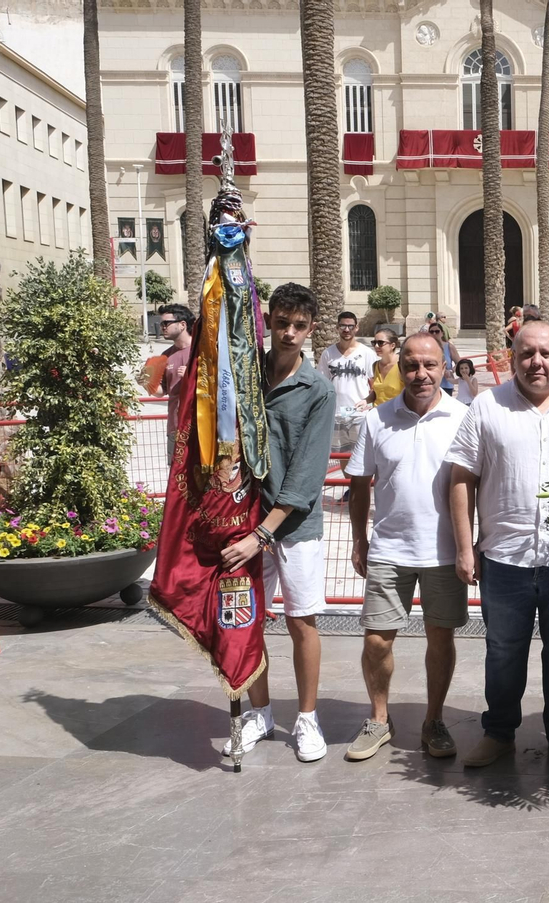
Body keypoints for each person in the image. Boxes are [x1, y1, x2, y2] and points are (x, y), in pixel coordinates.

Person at [447, 321, 549, 768]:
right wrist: (464, 546)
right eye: (526, 353)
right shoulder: (486, 406)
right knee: (502, 650)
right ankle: (498, 732)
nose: (536, 362)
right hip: (504, 558)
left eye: (545, 354)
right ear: (512, 358)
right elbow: (462, 478)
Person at [220, 283, 337, 763]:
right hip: (240, 522)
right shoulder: (245, 377)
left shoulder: (318, 390)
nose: (289, 333)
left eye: (299, 325)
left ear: (311, 330)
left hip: (290, 529)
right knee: (245, 623)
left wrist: (262, 534)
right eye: (281, 322)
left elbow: (307, 476)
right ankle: (260, 713)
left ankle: (306, 720)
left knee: (301, 622)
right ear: (268, 321)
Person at [343, 334, 470, 760]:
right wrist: (359, 541)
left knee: (441, 639)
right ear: (400, 368)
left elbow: (477, 486)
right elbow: (360, 485)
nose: (421, 374)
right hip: (389, 550)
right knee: (377, 641)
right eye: (412, 365)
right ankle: (379, 719)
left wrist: (474, 546)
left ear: (443, 369)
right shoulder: (378, 420)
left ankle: (434, 720)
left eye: (429, 365)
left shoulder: (464, 417)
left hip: (444, 553)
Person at [319, 311, 374, 454]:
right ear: (337, 327)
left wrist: (370, 406)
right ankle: (348, 478)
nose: (346, 330)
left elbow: (375, 385)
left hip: (360, 414)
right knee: (341, 454)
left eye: (350, 326)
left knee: (362, 455)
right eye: (343, 326)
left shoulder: (367, 353)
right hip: (337, 414)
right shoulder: (328, 354)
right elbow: (322, 385)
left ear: (357, 328)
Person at [154, 303, 195, 429]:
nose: (163, 328)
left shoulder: (202, 352)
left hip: (199, 427)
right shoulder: (165, 356)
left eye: (166, 323)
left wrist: (192, 376)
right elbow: (161, 392)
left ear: (182, 325)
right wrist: (147, 383)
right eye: (161, 324)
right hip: (175, 427)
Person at [367, 327, 404, 406]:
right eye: (374, 343)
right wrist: (365, 401)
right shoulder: (375, 365)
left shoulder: (402, 365)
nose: (376, 346)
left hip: (397, 414)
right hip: (377, 413)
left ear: (392, 345)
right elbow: (378, 392)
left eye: (380, 343)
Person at [425, 320, 462, 393]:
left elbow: (459, 363)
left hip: (446, 384)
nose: (434, 333)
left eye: (437, 331)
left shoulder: (449, 347)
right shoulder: (426, 347)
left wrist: (451, 371)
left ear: (442, 333)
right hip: (430, 384)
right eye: (431, 332)